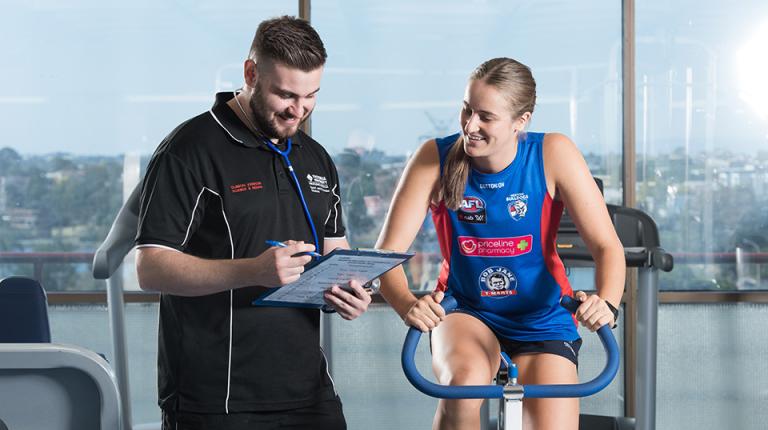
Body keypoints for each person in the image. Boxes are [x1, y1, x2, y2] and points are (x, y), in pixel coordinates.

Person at [135, 16, 371, 430]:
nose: (299, 109)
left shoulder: (315, 157)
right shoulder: (189, 150)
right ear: (250, 74)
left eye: (311, 95)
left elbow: (336, 252)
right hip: (215, 398)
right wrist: (255, 271)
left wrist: (354, 289)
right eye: (285, 95)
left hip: (308, 393)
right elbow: (150, 267)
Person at [375, 57, 626, 430]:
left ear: (520, 121)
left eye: (486, 117)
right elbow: (386, 255)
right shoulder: (435, 157)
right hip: (466, 310)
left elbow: (607, 246)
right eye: (466, 110)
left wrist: (606, 302)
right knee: (465, 385)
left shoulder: (552, 153)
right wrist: (407, 304)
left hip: (542, 315)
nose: (470, 125)